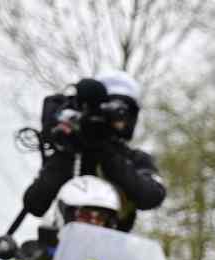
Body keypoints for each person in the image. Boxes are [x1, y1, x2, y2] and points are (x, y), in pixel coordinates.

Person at [23, 70, 165, 234]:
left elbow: (152, 196)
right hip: (62, 244)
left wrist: (105, 152)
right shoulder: (72, 152)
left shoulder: (135, 159)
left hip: (112, 247)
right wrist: (71, 148)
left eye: (123, 112)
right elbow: (35, 204)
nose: (116, 119)